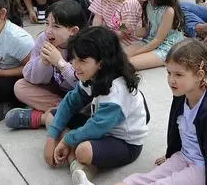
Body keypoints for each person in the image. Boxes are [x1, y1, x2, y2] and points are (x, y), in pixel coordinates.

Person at [121, 39, 207, 185]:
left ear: (199, 75)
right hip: (184, 156)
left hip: (205, 167)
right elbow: (175, 130)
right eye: (169, 72)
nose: (171, 80)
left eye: (178, 74)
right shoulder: (181, 95)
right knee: (143, 179)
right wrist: (170, 155)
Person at [43, 26, 149, 182]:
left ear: (101, 62)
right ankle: (80, 166)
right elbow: (70, 102)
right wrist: (51, 138)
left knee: (83, 151)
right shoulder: (91, 75)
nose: (75, 65)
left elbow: (97, 127)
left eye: (82, 60)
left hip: (124, 143)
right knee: (52, 117)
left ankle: (78, 165)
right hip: (100, 125)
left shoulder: (116, 92)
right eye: (74, 58)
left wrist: (66, 140)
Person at [6, 0, 87, 131]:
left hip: (80, 95)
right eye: (47, 23)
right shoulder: (43, 39)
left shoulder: (85, 47)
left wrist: (60, 63)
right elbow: (30, 77)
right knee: (20, 86)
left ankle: (42, 117)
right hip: (57, 92)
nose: (48, 30)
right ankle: (63, 111)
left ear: (73, 31)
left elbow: (85, 85)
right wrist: (43, 63)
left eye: (56, 26)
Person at [126, 0, 187, 70]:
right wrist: (132, 31)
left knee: (129, 63)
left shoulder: (168, 11)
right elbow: (149, 30)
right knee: (120, 55)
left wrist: (137, 52)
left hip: (166, 47)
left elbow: (158, 40)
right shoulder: (148, 4)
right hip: (150, 41)